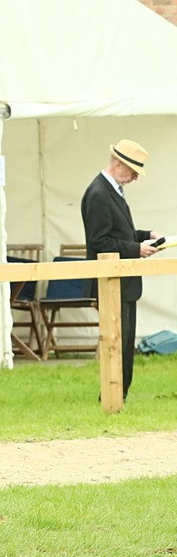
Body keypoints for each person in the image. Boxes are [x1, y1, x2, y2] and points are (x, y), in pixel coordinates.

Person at [80, 139, 161, 400]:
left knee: (125, 342)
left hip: (123, 281)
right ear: (118, 164)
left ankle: (119, 393)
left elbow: (120, 233)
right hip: (111, 281)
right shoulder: (99, 194)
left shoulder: (111, 190)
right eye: (134, 171)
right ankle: (113, 395)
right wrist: (137, 248)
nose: (136, 177)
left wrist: (145, 235)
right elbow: (100, 241)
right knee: (117, 342)